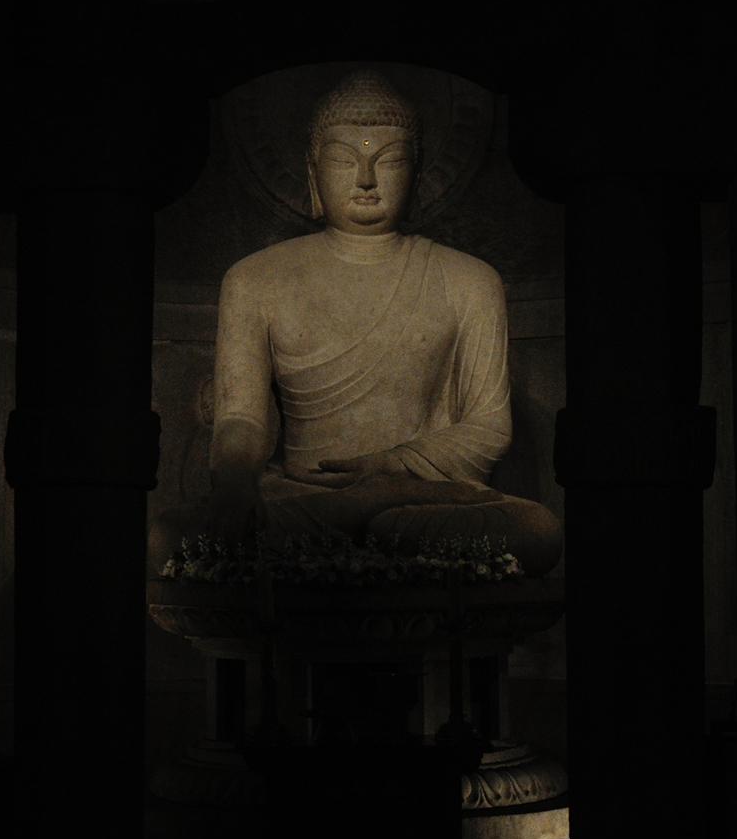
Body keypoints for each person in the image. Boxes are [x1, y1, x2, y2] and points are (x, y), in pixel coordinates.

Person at [204, 70, 562, 574]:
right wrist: (236, 483)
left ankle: (373, 506)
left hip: (420, 497)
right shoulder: (254, 279)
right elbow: (240, 417)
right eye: (343, 159)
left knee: (538, 530)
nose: (366, 179)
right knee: (166, 537)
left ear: (416, 173)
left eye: (389, 160)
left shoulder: (469, 280)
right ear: (312, 170)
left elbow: (488, 427)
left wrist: (393, 465)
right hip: (305, 493)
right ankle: (369, 510)